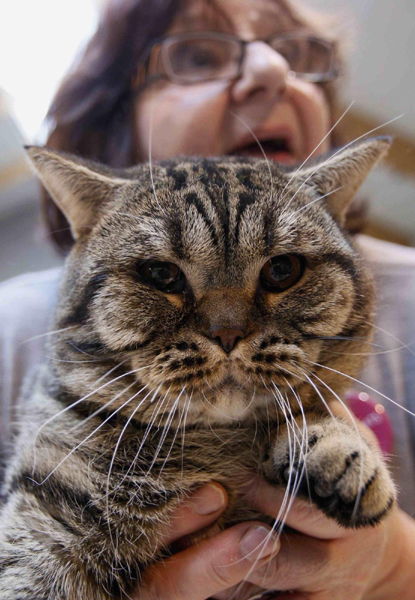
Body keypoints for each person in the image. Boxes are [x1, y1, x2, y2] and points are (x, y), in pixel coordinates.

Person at [1, 0, 415, 598]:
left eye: (283, 269)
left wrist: (396, 566)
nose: (229, 330)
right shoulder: (14, 331)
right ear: (118, 118)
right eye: (197, 57)